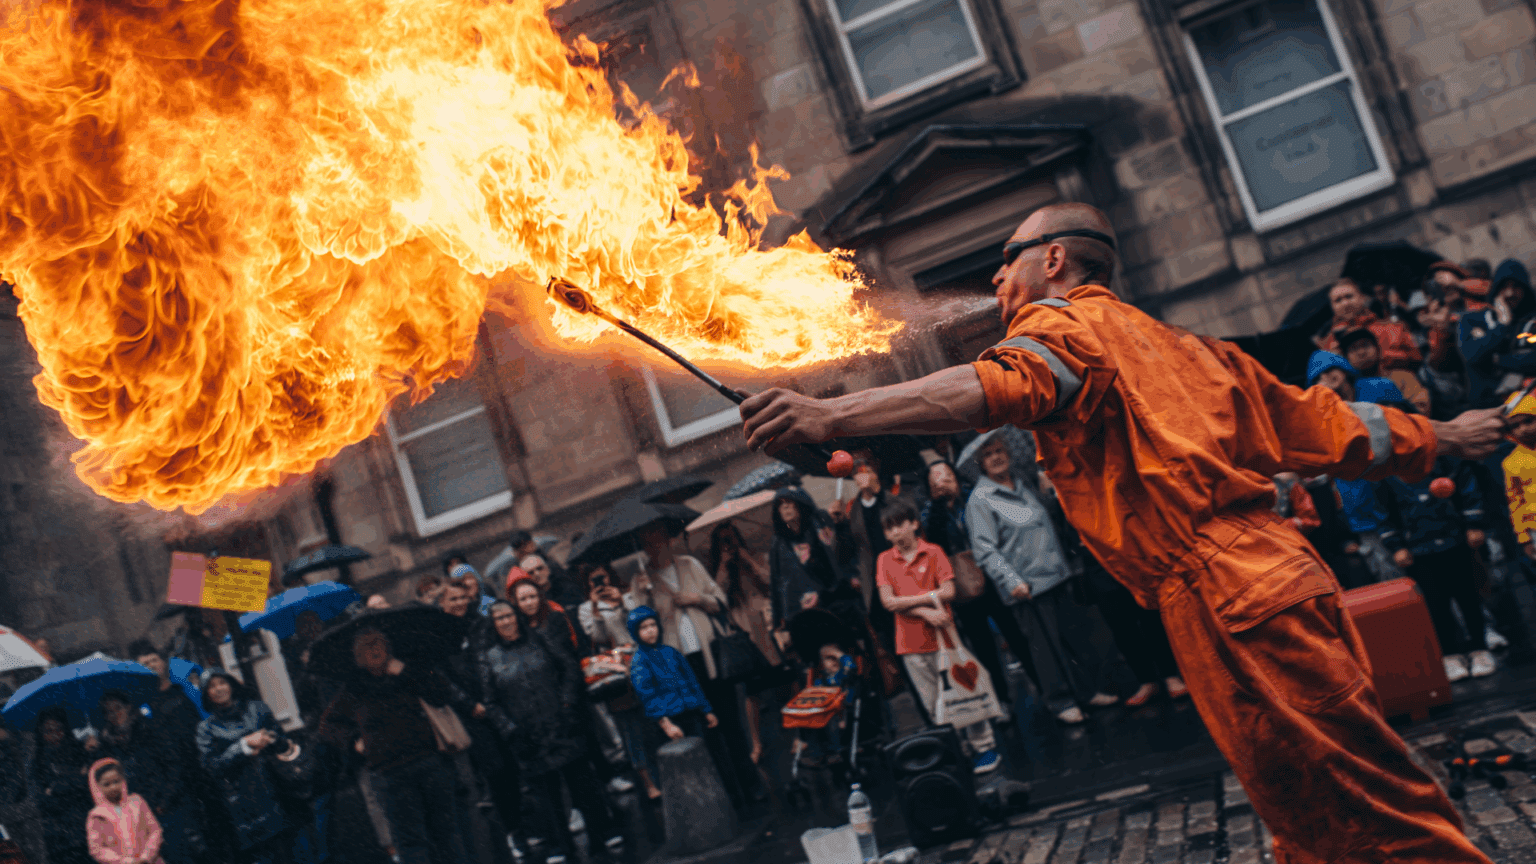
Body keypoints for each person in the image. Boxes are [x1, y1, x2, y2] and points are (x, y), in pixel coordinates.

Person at [737, 201, 1508, 862]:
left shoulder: (1060, 327)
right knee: (1304, 807)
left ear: (1054, 257)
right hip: (1253, 584)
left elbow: (991, 387)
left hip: (1232, 588)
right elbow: (1333, 425)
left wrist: (835, 413)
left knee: (1375, 801)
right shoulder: (1192, 350)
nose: (997, 281)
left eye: (1006, 263)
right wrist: (1446, 434)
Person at [963, 431, 1118, 724]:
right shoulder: (980, 500)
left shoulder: (1023, 483)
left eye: (999, 450)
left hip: (1056, 575)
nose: (996, 457)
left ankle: (1086, 692)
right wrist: (1012, 581)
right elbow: (985, 550)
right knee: (1045, 650)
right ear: (981, 464)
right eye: (988, 454)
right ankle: (1060, 702)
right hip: (1027, 586)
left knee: (1074, 641)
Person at [626, 522, 761, 806]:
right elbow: (640, 624)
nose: (655, 546)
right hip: (678, 667)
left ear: (666, 539)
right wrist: (645, 594)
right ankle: (726, 794)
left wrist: (696, 598)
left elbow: (720, 599)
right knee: (702, 731)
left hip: (710, 654)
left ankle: (751, 784)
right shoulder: (642, 580)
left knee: (731, 723)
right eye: (648, 542)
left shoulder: (689, 565)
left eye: (658, 538)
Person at [479, 601, 619, 862]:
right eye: (499, 618)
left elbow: (568, 668)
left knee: (583, 786)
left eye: (509, 615)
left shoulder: (540, 639)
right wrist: (511, 731)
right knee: (546, 796)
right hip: (528, 736)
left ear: (517, 617)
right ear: (493, 624)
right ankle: (560, 845)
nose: (506, 622)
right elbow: (490, 702)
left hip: (561, 724)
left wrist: (567, 703)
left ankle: (602, 833)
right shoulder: (489, 657)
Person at [316, 630, 466, 864]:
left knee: (447, 832)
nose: (374, 650)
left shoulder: (408, 672)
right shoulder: (353, 690)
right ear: (359, 656)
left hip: (429, 762)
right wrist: (353, 741)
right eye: (367, 646)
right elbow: (327, 726)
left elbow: (442, 695)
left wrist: (406, 672)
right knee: (411, 842)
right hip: (390, 774)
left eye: (378, 643)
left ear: (388, 647)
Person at [876, 499, 1001, 773]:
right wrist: (926, 610)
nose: (895, 533)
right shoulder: (884, 560)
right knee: (935, 705)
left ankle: (984, 746)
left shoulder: (933, 552)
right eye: (889, 529)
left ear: (914, 523)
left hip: (946, 638)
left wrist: (915, 601)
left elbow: (949, 591)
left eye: (899, 525)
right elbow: (888, 602)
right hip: (910, 644)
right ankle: (960, 750)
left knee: (965, 692)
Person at [919, 458, 1038, 706]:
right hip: (963, 583)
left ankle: (1042, 684)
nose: (943, 481)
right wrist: (941, 505)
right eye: (936, 479)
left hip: (992, 576)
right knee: (983, 646)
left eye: (946, 475)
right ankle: (1002, 700)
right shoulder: (930, 511)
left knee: (1017, 634)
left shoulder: (973, 497)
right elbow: (934, 542)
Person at [1377, 451, 1492, 681]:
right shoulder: (1385, 473)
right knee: (1435, 605)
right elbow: (1382, 511)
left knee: (1469, 597)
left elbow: (1468, 490)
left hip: (1456, 541)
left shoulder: (1445, 459)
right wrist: (1395, 545)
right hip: (1418, 550)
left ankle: (1480, 649)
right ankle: (1450, 654)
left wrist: (1473, 524)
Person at [626, 606, 734, 797]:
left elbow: (692, 682)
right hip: (673, 720)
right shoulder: (639, 661)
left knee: (708, 757)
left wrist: (706, 709)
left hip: (693, 713)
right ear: (635, 633)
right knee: (687, 766)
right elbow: (648, 695)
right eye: (643, 627)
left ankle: (721, 798)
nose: (650, 630)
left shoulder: (671, 652)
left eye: (653, 625)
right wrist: (665, 723)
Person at [196, 672, 296, 864]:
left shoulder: (257, 708)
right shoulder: (206, 729)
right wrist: (243, 746)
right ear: (206, 694)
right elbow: (211, 767)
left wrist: (268, 739)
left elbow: (283, 742)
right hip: (244, 806)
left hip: (279, 793)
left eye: (222, 683)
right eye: (212, 686)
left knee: (294, 853)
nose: (218, 689)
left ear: (231, 684)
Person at [97, 691, 204, 864]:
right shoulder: (105, 743)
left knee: (180, 855)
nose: (115, 715)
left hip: (165, 806)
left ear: (128, 707)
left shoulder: (149, 728)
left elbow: (173, 764)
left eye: (118, 708)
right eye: (108, 712)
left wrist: (165, 800)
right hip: (134, 813)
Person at [708, 522, 782, 765]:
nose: (729, 544)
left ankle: (799, 732)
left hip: (766, 624)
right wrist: (724, 565)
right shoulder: (719, 569)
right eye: (724, 541)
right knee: (751, 692)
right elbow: (717, 596)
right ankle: (757, 743)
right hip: (744, 632)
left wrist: (747, 561)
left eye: (731, 538)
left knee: (785, 679)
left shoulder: (753, 558)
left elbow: (770, 583)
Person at [1459, 259, 1536, 408]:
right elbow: (1473, 355)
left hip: (1527, 403)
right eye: (1504, 286)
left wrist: (1498, 360)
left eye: (1516, 286)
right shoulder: (1472, 320)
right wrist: (1502, 325)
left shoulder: (1532, 320)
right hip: (1487, 407)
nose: (1510, 293)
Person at [32, 706, 95, 864]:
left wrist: (55, 787)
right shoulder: (37, 761)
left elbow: (91, 784)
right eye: (48, 730)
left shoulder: (80, 749)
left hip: (90, 825)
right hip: (59, 837)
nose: (54, 735)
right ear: (40, 732)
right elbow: (41, 799)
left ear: (65, 728)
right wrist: (76, 777)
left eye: (58, 729)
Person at [1319, 278, 1422, 371]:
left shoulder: (1393, 327)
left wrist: (1379, 356)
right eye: (1338, 300)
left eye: (1349, 296)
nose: (1345, 303)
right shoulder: (1328, 345)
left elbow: (1417, 358)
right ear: (1332, 307)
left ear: (1362, 298)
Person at [86, 758, 166, 864]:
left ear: (122, 780)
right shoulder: (96, 816)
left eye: (116, 781)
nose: (113, 787)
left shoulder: (137, 802)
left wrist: (146, 857)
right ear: (98, 787)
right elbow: (97, 849)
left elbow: (155, 831)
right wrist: (126, 861)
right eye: (107, 784)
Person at [795, 643, 856, 779]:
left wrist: (840, 656)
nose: (833, 661)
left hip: (842, 707)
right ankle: (816, 754)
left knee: (830, 718)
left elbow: (851, 671)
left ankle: (836, 750)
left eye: (834, 658)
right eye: (827, 658)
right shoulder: (823, 678)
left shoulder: (844, 673)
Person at [1337, 328, 1430, 415]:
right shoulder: (1348, 390)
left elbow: (1422, 410)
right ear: (1346, 358)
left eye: (1365, 345)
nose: (1361, 352)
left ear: (1378, 349)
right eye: (1353, 349)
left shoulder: (1403, 377)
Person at [510, 576, 582, 655]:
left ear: (539, 597)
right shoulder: (519, 630)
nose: (529, 603)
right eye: (523, 599)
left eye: (533, 596)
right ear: (516, 603)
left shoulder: (556, 618)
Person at [520, 553, 586, 611]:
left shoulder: (568, 588)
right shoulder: (532, 602)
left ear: (547, 569)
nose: (537, 573)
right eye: (531, 572)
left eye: (540, 568)